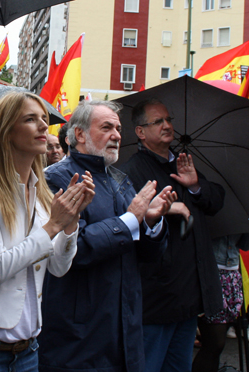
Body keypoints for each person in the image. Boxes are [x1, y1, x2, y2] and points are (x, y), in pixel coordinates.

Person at [39, 100, 177, 372]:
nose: (116, 135)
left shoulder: (120, 179)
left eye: (118, 128)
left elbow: (147, 255)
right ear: (79, 135)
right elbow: (72, 250)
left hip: (125, 329)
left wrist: (151, 221)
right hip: (79, 337)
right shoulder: (57, 179)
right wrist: (129, 220)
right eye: (106, 127)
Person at [0, 92, 94, 371]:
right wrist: (52, 226)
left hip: (29, 347)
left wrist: (70, 222)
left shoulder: (41, 191)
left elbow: (58, 268)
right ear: (6, 131)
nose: (44, 126)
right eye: (31, 119)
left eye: (44, 119)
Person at [120, 98, 225, 372]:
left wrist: (195, 186)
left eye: (169, 120)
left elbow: (216, 202)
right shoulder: (132, 171)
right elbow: (126, 222)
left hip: (189, 295)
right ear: (140, 132)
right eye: (158, 122)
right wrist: (165, 210)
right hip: (157, 297)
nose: (167, 126)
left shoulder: (182, 162)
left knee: (179, 367)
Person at [192, 234, 249, 371]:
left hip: (232, 274)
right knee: (215, 343)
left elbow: (245, 245)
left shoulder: (239, 214)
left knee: (217, 346)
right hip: (211, 272)